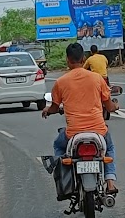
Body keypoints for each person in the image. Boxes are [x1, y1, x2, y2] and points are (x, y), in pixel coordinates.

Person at [44, 42, 118, 193]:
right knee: (108, 148)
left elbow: (54, 106)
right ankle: (110, 182)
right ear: (84, 59)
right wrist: (116, 106)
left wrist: (47, 110)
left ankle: (65, 179)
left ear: (67, 60)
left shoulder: (61, 82)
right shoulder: (97, 79)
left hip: (73, 133)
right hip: (99, 131)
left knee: (59, 146)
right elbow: (109, 106)